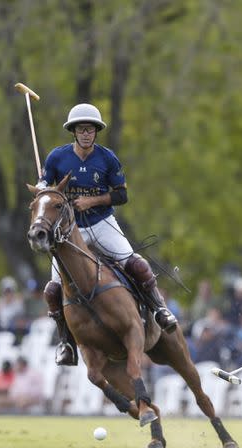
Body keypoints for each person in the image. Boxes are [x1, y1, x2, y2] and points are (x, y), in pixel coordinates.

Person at [37, 103, 177, 366]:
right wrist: (43, 187)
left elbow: (121, 195)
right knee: (53, 288)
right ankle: (65, 342)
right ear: (74, 132)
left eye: (90, 129)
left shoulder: (107, 158)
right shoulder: (57, 157)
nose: (86, 134)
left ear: (96, 132)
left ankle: (159, 310)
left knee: (137, 264)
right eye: (81, 129)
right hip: (70, 232)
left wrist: (92, 202)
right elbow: (45, 185)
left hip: (102, 224)